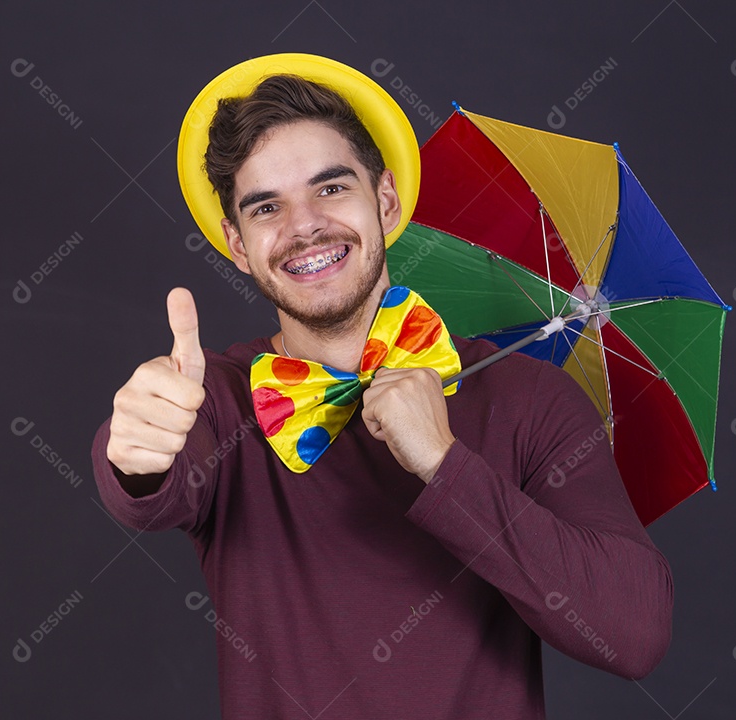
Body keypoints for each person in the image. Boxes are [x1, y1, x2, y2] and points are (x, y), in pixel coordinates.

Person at [91, 53, 672, 719]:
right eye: (266, 207)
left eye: (331, 188)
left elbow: (634, 635)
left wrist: (444, 465)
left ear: (386, 200)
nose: (303, 225)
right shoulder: (220, 400)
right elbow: (149, 480)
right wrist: (133, 452)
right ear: (237, 244)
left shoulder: (530, 400)